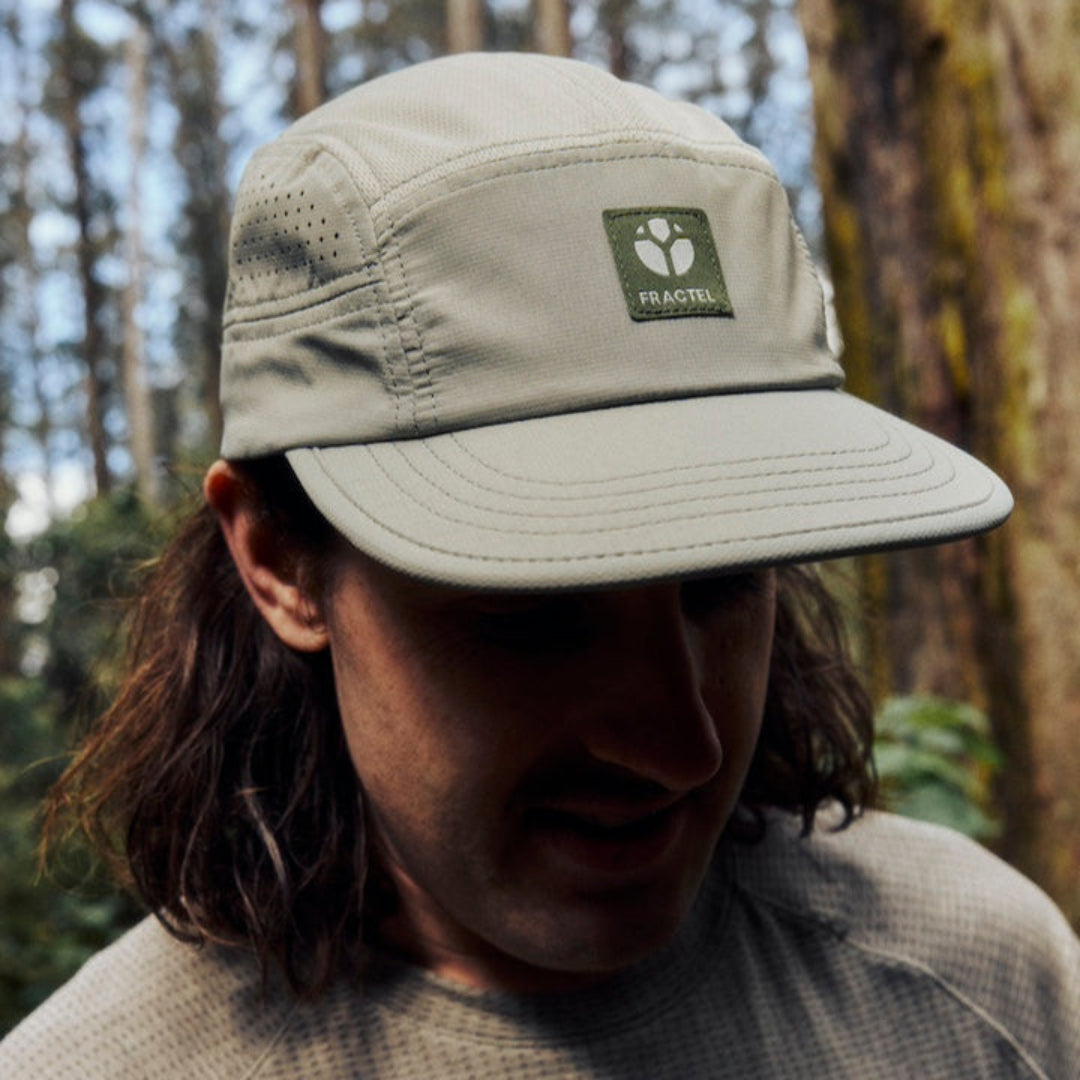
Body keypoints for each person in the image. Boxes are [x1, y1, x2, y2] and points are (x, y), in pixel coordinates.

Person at [2, 52, 1077, 1079]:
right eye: (537, 614)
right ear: (280, 561)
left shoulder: (986, 986)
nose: (681, 745)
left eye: (725, 585)